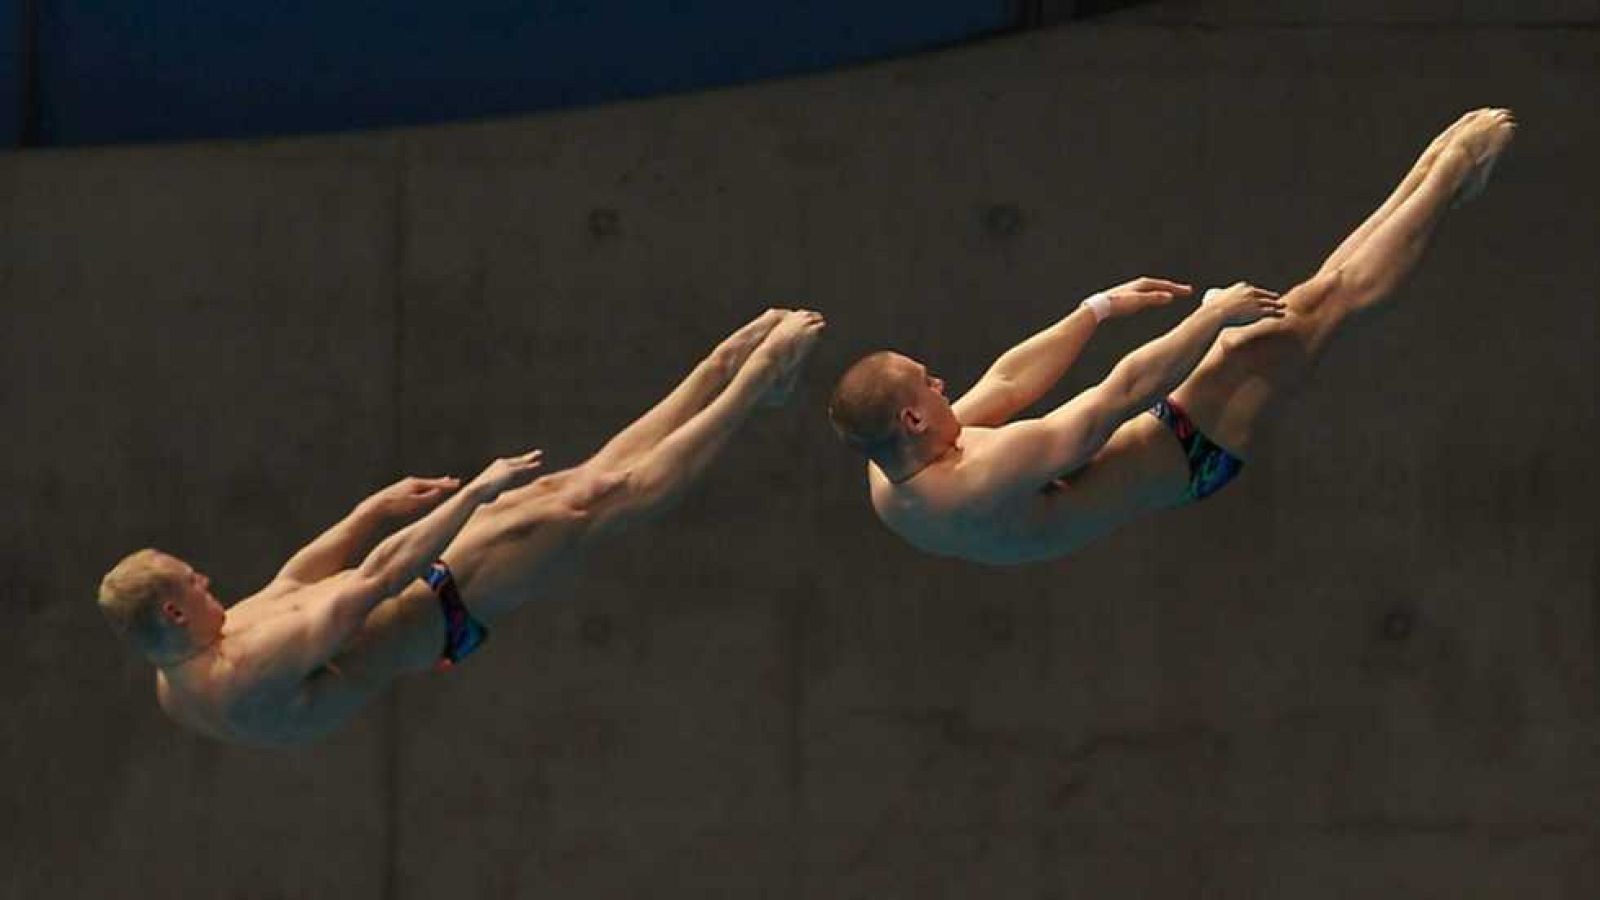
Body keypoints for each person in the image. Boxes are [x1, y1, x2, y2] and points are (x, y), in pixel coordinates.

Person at [98, 308, 826, 746]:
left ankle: (720, 368)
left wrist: (368, 512)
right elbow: (381, 578)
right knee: (600, 501)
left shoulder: (179, 671)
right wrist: (476, 493)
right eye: (192, 582)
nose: (206, 580)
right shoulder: (241, 676)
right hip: (445, 612)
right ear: (171, 609)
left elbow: (296, 580)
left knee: (572, 484)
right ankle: (757, 377)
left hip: (413, 598)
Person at [829, 108, 1515, 565]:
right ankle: (1451, 176)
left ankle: (1434, 175)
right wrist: (1208, 316)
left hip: (1160, 439)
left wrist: (1095, 308)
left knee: (1307, 302)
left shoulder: (896, 458)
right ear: (913, 413)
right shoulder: (977, 482)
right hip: (1194, 452)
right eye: (929, 380)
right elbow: (1114, 396)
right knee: (1316, 311)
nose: (944, 382)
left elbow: (1010, 382)